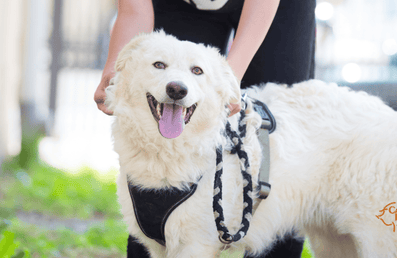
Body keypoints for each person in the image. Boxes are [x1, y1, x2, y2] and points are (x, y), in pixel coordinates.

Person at [94, 0, 316, 257]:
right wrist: (115, 71)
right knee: (166, 64)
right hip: (183, 5)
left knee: (280, 140)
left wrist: (227, 82)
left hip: (273, 8)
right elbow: (135, 10)